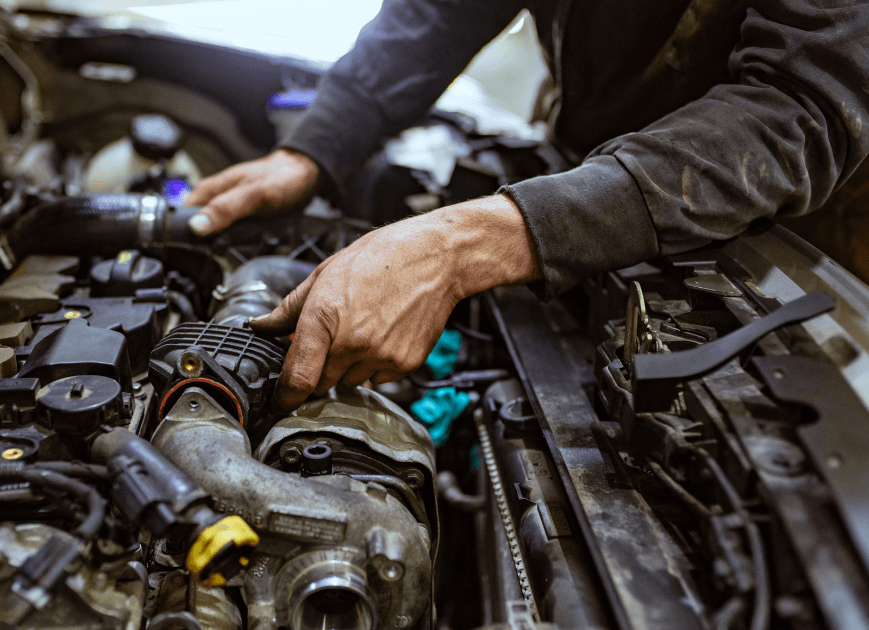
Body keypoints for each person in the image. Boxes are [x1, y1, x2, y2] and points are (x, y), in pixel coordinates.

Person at [184, 0, 869, 411]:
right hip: (596, 155)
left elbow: (801, 106)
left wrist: (460, 245)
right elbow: (443, 11)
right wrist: (314, 148)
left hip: (803, 224)